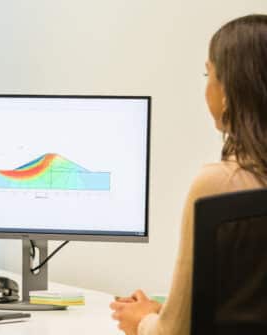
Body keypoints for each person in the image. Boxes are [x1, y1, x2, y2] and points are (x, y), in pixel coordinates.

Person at [110, 14, 267, 335]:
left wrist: (141, 321)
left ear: (229, 92)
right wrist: (161, 312)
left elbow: (175, 333)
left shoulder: (221, 183)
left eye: (208, 75)